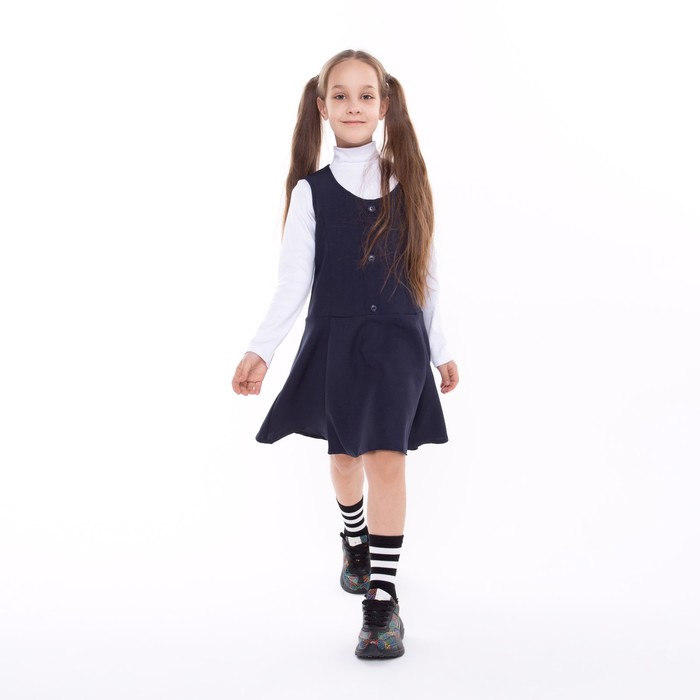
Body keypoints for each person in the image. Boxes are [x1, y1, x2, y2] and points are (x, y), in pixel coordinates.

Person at [231, 49, 459, 659]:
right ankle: (353, 535)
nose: (353, 106)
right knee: (344, 460)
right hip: (337, 341)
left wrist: (440, 348)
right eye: (341, 95)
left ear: (384, 106)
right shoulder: (311, 193)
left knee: (388, 459)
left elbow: (426, 274)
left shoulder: (410, 184)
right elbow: (293, 281)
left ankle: (381, 601)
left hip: (399, 343)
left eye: (365, 95)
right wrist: (260, 350)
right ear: (322, 106)